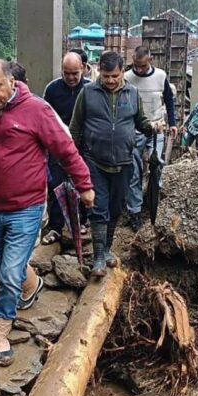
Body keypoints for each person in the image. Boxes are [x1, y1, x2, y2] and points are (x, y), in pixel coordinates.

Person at [0, 59, 94, 366]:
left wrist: (84, 184)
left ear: (11, 82)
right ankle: (32, 282)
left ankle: (1, 331)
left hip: (27, 207)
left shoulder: (36, 110)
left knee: (8, 274)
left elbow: (65, 149)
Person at [68, 51, 156, 277]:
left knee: (115, 208)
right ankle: (98, 256)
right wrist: (74, 160)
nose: (110, 80)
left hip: (124, 161)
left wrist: (153, 127)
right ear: (100, 70)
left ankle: (107, 249)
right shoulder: (87, 93)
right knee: (98, 209)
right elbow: (75, 128)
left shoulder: (133, 93)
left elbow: (141, 121)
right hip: (94, 160)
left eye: (115, 76)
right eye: (106, 76)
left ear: (122, 73)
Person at [123, 46, 178, 231]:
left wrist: (172, 123)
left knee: (157, 165)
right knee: (134, 171)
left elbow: (169, 100)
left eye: (143, 66)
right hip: (135, 130)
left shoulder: (161, 76)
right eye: (136, 66)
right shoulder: (127, 78)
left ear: (151, 60)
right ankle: (134, 211)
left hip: (157, 128)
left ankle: (154, 202)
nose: (139, 69)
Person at [42, 51, 91, 243]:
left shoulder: (90, 89)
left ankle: (81, 222)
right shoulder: (52, 89)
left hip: (83, 146)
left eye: (75, 73)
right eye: (67, 73)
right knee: (56, 185)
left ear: (83, 69)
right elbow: (45, 118)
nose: (71, 78)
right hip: (57, 146)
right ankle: (55, 226)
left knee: (82, 183)